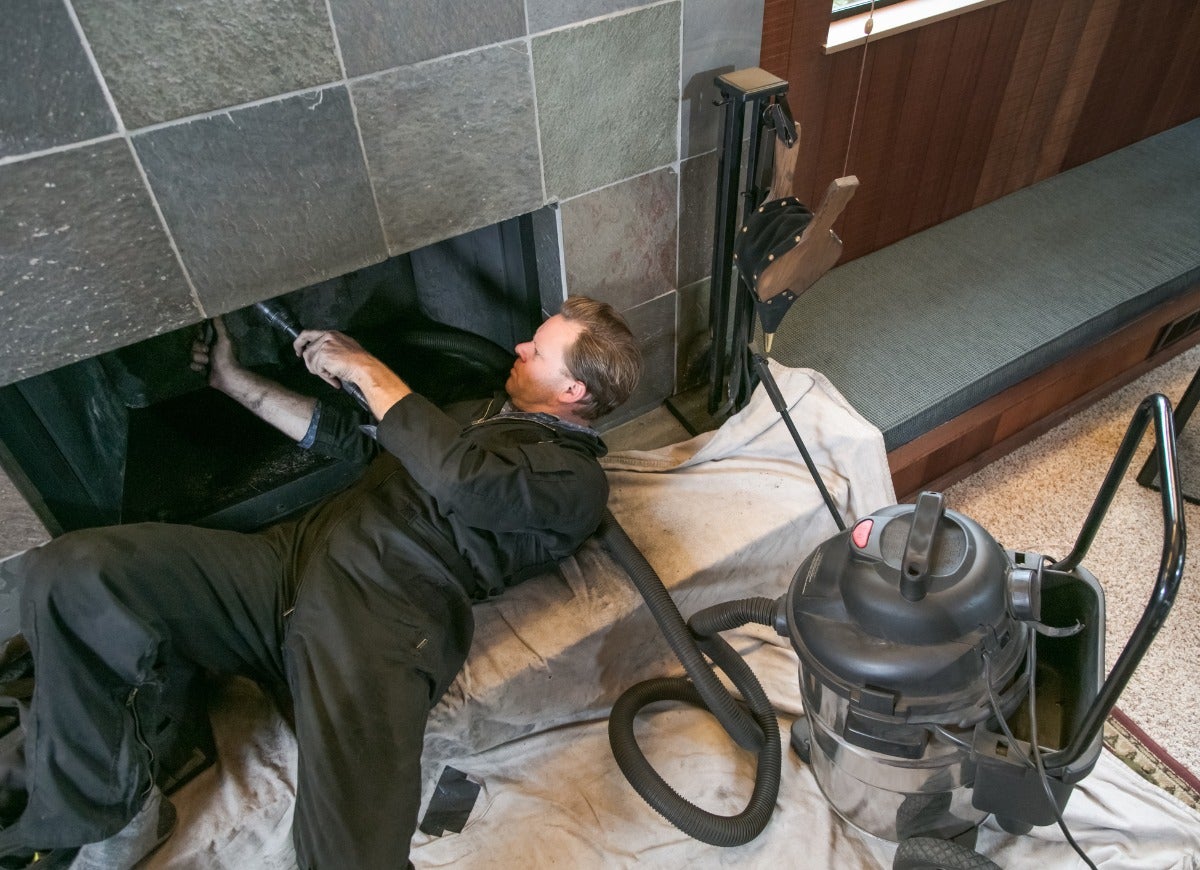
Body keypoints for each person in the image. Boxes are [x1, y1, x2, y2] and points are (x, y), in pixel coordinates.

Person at [0, 295, 642, 869]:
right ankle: (104, 809)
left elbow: (464, 481)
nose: (519, 347)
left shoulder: (574, 481)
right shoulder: (478, 411)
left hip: (379, 615)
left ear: (574, 392)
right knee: (75, 572)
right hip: (283, 567)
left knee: (349, 852)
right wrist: (236, 383)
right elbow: (359, 445)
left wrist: (368, 369)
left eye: (539, 348)